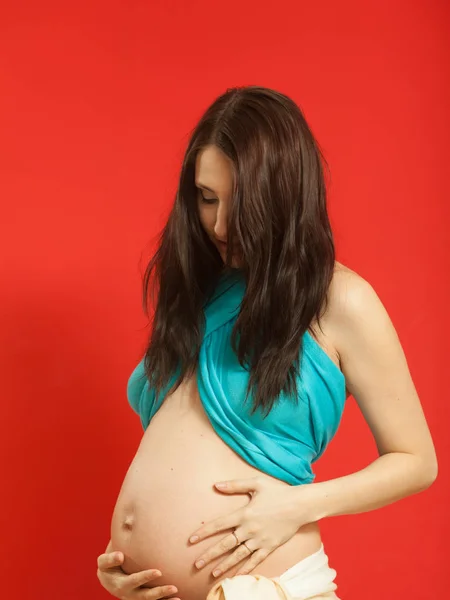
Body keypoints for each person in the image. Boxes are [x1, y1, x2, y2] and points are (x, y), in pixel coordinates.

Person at [96, 86, 438, 600]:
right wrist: (128, 559)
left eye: (243, 205)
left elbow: (417, 461)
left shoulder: (341, 300)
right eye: (206, 197)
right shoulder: (200, 290)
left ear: (284, 199)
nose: (220, 225)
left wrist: (297, 506)